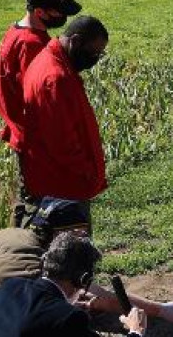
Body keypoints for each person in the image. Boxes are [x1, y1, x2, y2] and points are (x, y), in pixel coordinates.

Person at [0, 199, 173, 324]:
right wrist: (162, 310)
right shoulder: (35, 270)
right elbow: (101, 295)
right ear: (58, 237)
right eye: (77, 235)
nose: (82, 240)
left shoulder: (13, 234)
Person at [0, 0, 83, 214]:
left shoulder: (15, 32)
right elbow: (41, 95)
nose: (63, 17)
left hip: (22, 131)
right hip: (35, 138)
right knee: (43, 206)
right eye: (58, 12)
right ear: (39, 12)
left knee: (34, 198)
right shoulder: (32, 44)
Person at [18, 17, 109, 218]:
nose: (94, 59)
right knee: (71, 238)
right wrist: (87, 172)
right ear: (75, 41)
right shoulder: (56, 78)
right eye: (93, 52)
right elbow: (62, 142)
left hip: (57, 181)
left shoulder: (49, 59)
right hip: (64, 187)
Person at [0, 232, 149, 336]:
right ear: (83, 279)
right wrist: (135, 331)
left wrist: (63, 306)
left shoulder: (10, 286)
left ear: (44, 262)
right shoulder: (70, 318)